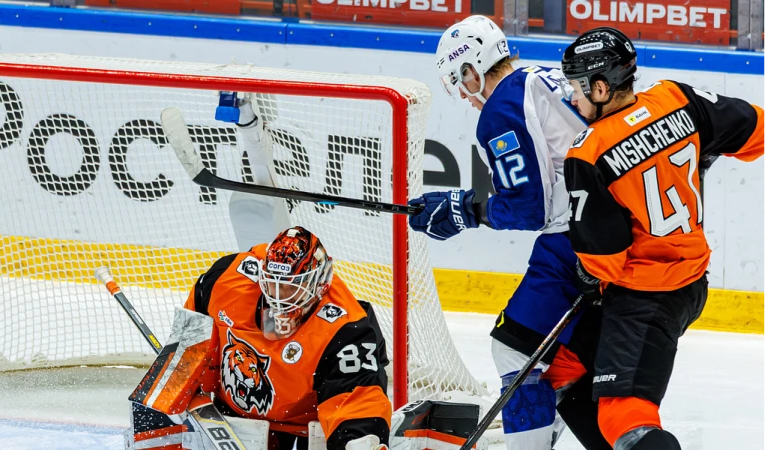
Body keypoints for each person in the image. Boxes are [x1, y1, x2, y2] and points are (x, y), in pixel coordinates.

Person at [560, 27, 765, 449]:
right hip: (691, 282)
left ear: (600, 86)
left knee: (625, 417)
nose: (571, 98)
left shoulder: (588, 152)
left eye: (576, 87)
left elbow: (605, 259)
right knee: (563, 367)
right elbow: (754, 130)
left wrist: (585, 272)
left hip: (646, 295)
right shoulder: (677, 98)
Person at [409, 14, 609, 450]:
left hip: (578, 240)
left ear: (471, 69)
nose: (464, 97)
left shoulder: (500, 107)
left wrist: (464, 210)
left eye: (460, 83)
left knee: (515, 350)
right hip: (611, 227)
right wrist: (466, 206)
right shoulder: (540, 76)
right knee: (555, 359)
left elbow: (529, 208)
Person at [184, 226, 392, 450]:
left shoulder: (347, 327)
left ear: (319, 284)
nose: (279, 298)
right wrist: (181, 388)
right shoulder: (226, 279)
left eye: (291, 287)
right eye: (273, 283)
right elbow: (186, 349)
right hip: (226, 419)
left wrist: (357, 440)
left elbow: (357, 402)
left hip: (301, 433)